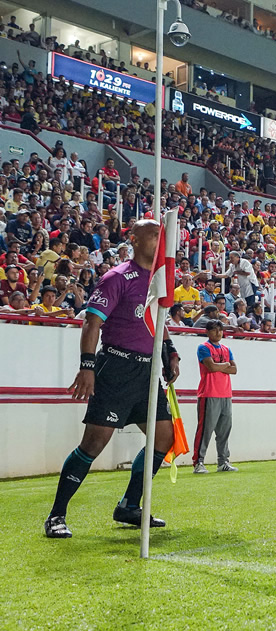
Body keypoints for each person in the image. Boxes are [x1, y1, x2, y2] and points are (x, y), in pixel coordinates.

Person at [44, 220, 179, 539]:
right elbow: (92, 323)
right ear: (134, 239)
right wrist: (87, 366)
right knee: (93, 444)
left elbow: (157, 320)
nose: (160, 240)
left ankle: (130, 505)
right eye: (153, 235)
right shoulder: (117, 277)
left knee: (164, 437)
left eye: (162, 236)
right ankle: (56, 515)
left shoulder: (157, 281)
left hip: (147, 372)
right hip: (116, 369)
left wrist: (169, 350)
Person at [192, 320, 238, 474]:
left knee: (224, 430)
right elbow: (211, 367)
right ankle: (198, 462)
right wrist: (225, 365)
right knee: (205, 430)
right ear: (207, 332)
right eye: (214, 330)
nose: (218, 333)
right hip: (209, 393)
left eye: (220, 330)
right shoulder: (204, 347)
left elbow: (235, 370)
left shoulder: (226, 348)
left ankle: (223, 461)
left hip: (225, 394)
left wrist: (221, 366)